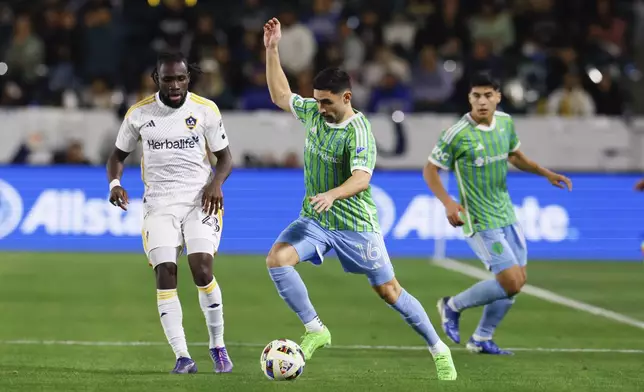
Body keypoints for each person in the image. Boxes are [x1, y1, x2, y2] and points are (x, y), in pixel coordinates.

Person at [262, 17, 457, 380]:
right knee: (277, 259)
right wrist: (272, 49)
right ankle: (316, 329)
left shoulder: (358, 130)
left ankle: (438, 347)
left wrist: (332, 194)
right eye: (317, 101)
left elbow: (362, 179)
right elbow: (280, 95)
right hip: (317, 220)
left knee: (389, 290)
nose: (319, 108)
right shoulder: (314, 114)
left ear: (346, 98)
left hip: (354, 224)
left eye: (327, 102)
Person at [424, 73, 572, 355]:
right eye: (476, 96)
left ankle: (481, 338)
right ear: (469, 98)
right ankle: (452, 305)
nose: (482, 101)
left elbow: (515, 156)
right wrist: (448, 202)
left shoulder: (505, 122)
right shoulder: (457, 134)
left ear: (498, 97)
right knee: (511, 281)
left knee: (517, 282)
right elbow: (430, 169)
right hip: (479, 219)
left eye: (488, 95)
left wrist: (545, 173)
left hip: (506, 214)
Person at [106, 52, 234, 374]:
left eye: (180, 78)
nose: (175, 85)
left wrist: (216, 184)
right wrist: (115, 184)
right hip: (159, 205)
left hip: (199, 201)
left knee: (201, 268)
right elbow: (116, 156)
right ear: (157, 79)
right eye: (168, 79)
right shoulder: (139, 114)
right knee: (165, 271)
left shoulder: (205, 110)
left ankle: (217, 345)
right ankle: (182, 356)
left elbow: (226, 158)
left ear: (188, 78)